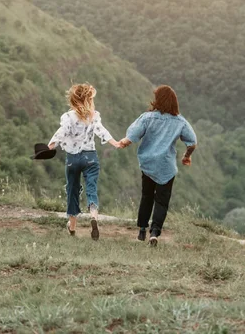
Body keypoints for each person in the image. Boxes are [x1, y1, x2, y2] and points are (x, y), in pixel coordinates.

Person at [118, 85, 197, 246]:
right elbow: (192, 142)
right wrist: (186, 156)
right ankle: (154, 233)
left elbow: (132, 135)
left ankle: (141, 230)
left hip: (148, 164)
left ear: (158, 100)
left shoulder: (147, 117)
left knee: (146, 196)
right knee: (162, 201)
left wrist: (123, 142)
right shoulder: (180, 122)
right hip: (166, 167)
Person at [48, 83, 120, 240]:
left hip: (73, 159)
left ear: (73, 100)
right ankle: (93, 216)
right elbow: (101, 130)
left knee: (72, 190)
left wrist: (50, 146)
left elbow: (61, 133)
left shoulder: (67, 117)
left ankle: (72, 227)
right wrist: (115, 142)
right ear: (89, 100)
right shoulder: (93, 115)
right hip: (90, 157)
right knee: (91, 189)